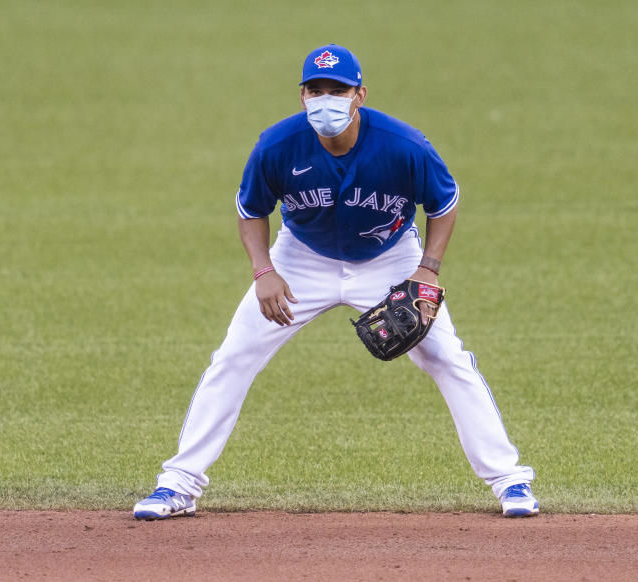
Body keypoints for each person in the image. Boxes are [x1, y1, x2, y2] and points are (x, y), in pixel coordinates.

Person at [133, 44, 538, 519]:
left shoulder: (404, 145)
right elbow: (251, 211)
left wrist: (427, 267)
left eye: (338, 90)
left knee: (447, 358)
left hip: (390, 259)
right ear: (303, 95)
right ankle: (177, 485)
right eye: (316, 90)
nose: (327, 99)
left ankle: (509, 481)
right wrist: (264, 271)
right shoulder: (276, 145)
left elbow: (443, 205)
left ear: (359, 94)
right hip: (301, 259)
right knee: (234, 357)